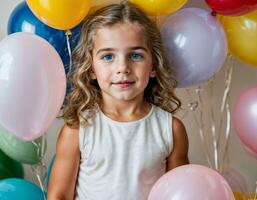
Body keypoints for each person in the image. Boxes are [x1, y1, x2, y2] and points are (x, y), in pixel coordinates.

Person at [47, 2, 189, 200]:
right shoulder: (78, 130)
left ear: (154, 65)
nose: (122, 67)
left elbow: (180, 193)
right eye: (108, 56)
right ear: (91, 69)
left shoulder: (171, 130)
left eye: (135, 55)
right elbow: (59, 195)